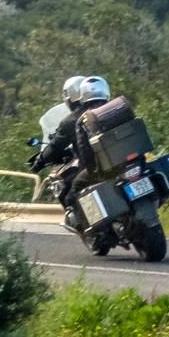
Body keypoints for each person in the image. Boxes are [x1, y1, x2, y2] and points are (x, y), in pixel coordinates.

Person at [28, 75, 113, 226]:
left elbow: (55, 147)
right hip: (126, 159)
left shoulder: (73, 120)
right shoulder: (114, 108)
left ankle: (94, 226)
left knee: (71, 194)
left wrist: (39, 162)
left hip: (98, 167)